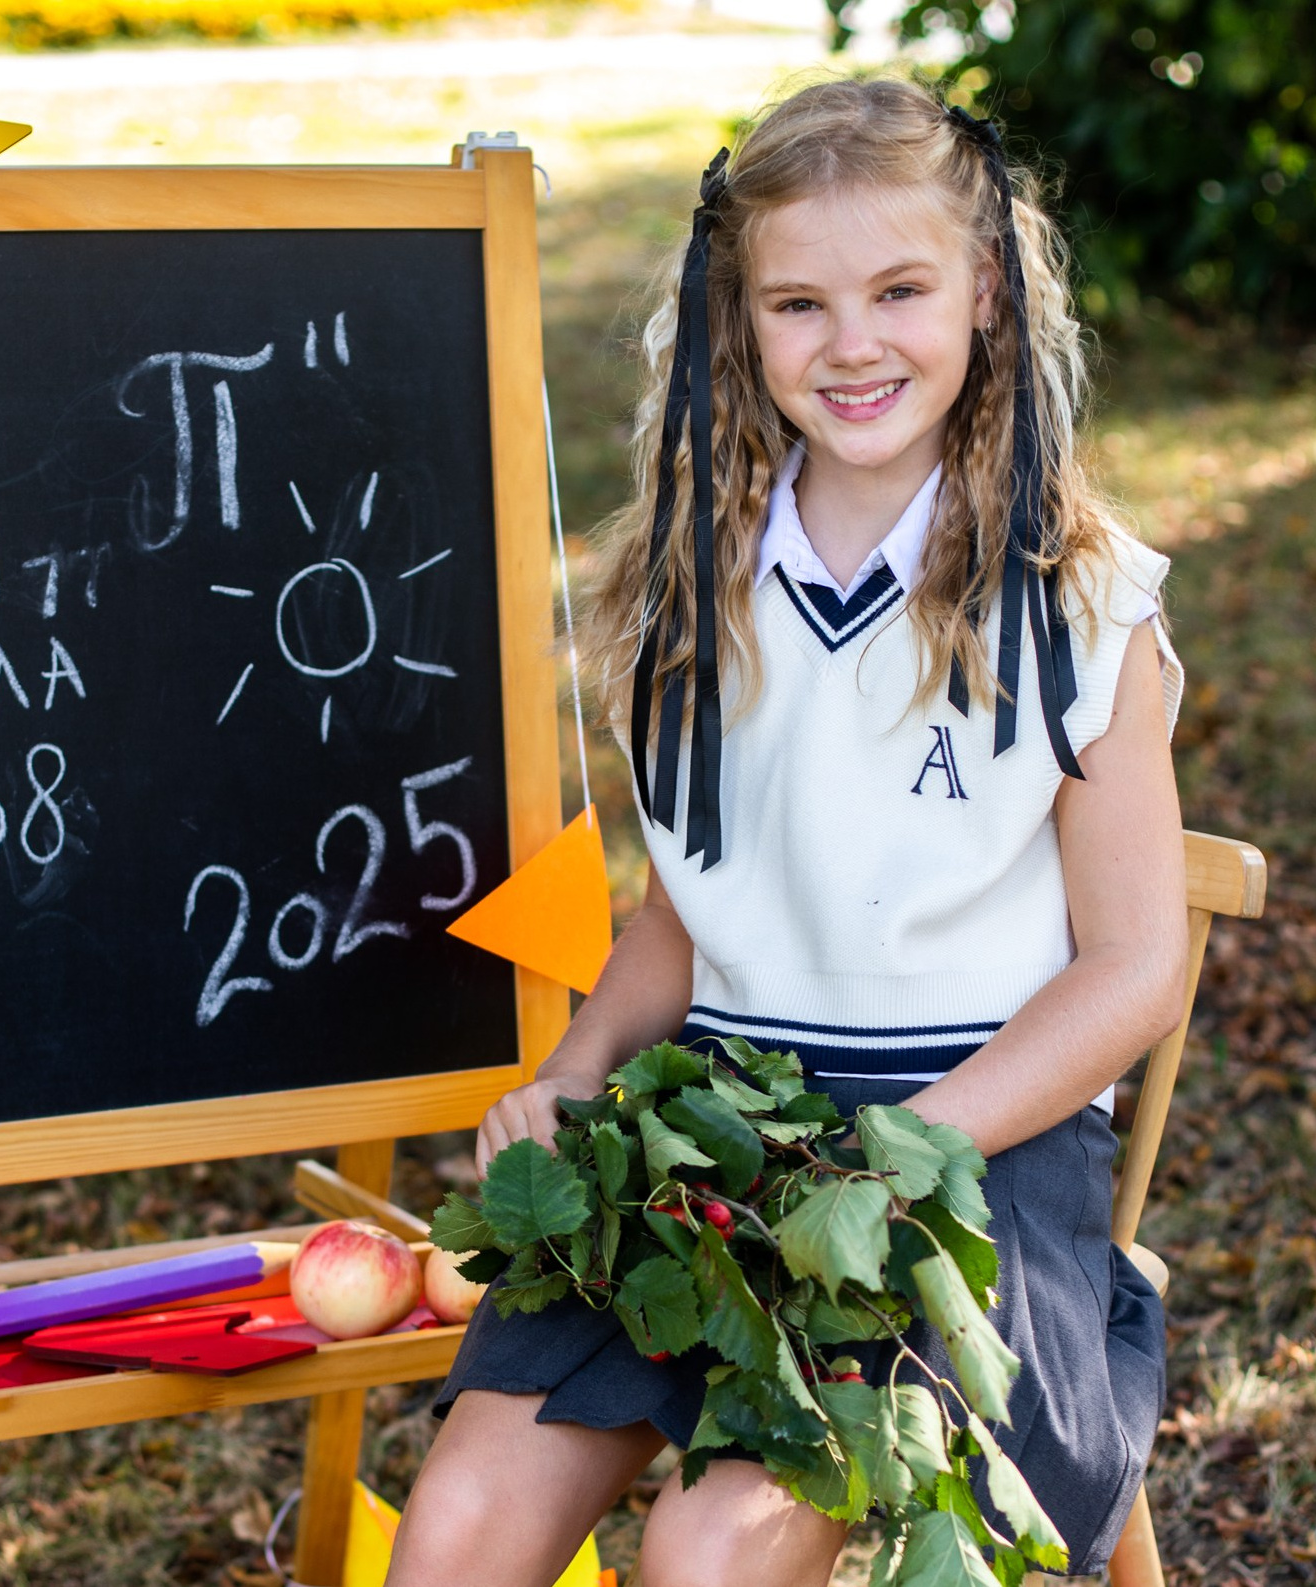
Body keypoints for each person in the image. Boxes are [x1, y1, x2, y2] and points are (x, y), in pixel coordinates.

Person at [387, 75, 1188, 1587]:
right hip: (724, 1122)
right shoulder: (691, 588)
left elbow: (1137, 966)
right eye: (799, 303)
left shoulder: (1080, 601)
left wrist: (903, 1154)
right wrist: (570, 1074)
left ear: (991, 299)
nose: (854, 342)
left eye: (901, 290)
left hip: (970, 1149)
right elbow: (695, 915)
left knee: (710, 1550)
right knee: (458, 1530)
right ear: (735, 325)